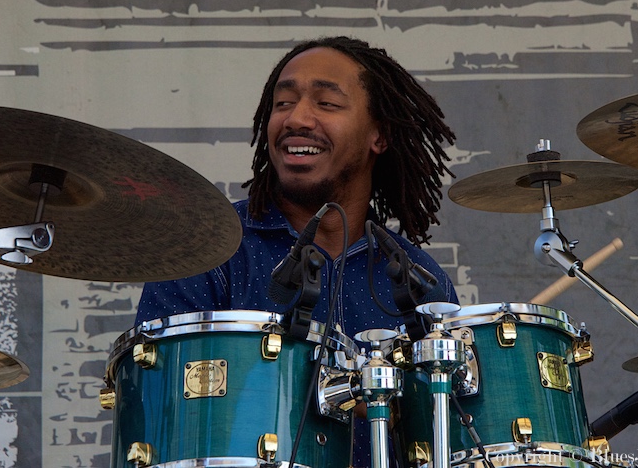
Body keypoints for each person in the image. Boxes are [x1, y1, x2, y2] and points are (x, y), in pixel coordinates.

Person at [134, 36, 459, 466]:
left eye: (326, 103)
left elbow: (446, 439)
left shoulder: (418, 280)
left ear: (378, 135)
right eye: (283, 103)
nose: (296, 118)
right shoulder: (208, 247)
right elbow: (155, 403)